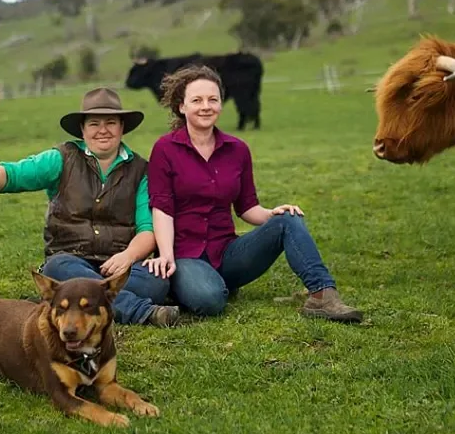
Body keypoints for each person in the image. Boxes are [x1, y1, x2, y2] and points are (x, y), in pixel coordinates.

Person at [143, 65, 362, 323]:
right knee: (210, 300)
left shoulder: (238, 150)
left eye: (213, 99)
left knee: (289, 219)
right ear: (182, 106)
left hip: (227, 252)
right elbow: (162, 208)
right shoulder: (165, 149)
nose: (206, 106)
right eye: (197, 100)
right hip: (185, 254)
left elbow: (247, 207)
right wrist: (166, 255)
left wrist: (273, 214)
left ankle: (322, 295)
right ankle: (193, 284)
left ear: (221, 104)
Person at [0, 87, 178, 327]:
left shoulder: (141, 170)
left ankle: (65, 297)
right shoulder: (62, 158)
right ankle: (143, 312)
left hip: (118, 263)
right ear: (82, 129)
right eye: (94, 123)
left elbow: (146, 228)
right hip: (70, 259)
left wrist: (128, 256)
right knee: (57, 267)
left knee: (157, 282)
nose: (103, 130)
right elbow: (14, 174)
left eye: (111, 122)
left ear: (122, 127)